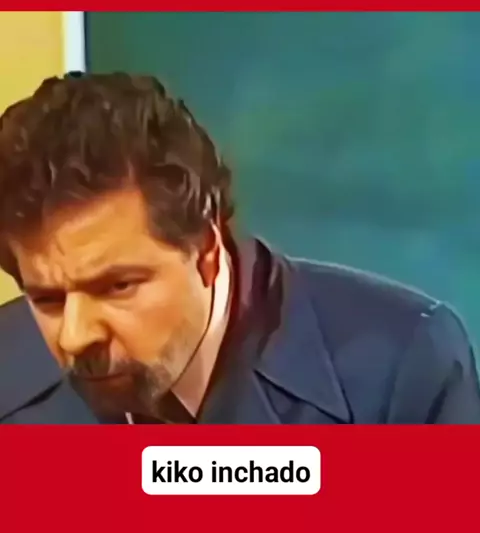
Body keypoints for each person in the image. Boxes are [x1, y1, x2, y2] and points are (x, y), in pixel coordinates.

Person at [0, 72, 479, 425]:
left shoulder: (406, 367)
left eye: (118, 286)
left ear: (207, 253)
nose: (76, 337)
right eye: (48, 299)